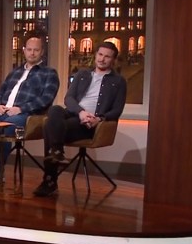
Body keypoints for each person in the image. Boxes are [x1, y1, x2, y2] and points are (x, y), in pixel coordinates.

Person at [32, 41, 127, 197]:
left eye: (107, 57)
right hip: (75, 113)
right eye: (100, 54)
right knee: (55, 110)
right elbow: (68, 99)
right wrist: (81, 111)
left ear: (113, 60)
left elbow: (117, 110)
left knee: (50, 125)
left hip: (90, 122)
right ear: (95, 55)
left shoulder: (118, 81)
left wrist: (99, 119)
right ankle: (56, 151)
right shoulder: (82, 74)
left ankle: (49, 179)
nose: (102, 59)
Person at [0, 32, 59, 185]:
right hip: (2, 112)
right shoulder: (15, 72)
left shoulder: (49, 73)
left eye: (36, 50)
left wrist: (20, 109)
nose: (32, 53)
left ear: (42, 51)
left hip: (26, 116)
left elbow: (45, 100)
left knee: (4, 128)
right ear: (24, 50)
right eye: (29, 49)